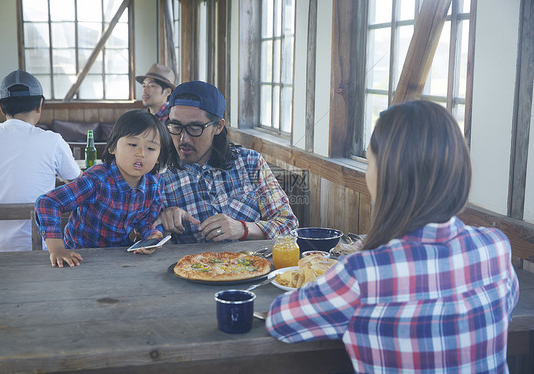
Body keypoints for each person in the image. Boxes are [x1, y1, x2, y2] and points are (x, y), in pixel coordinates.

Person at [266, 101, 519, 373]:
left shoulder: (363, 273)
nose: (366, 172)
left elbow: (280, 320)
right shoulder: (496, 246)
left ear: (387, 176)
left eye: (369, 161)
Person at [156, 80, 298, 244]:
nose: (183, 139)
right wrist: (162, 227)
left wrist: (243, 229)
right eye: (175, 126)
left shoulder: (250, 163)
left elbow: (288, 225)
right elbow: (142, 242)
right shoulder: (160, 177)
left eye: (195, 128)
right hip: (188, 267)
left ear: (217, 126)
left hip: (253, 266)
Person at [35, 110, 173, 267]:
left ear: (158, 158)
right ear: (113, 147)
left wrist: (152, 237)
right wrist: (57, 249)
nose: (141, 153)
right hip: (80, 257)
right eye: (133, 144)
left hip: (121, 257)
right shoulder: (96, 180)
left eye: (151, 148)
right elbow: (48, 202)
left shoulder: (153, 184)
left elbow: (147, 221)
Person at [0, 69, 81, 253]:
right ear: (40, 105)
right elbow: (79, 184)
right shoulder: (52, 140)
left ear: (0, 107)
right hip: (42, 248)